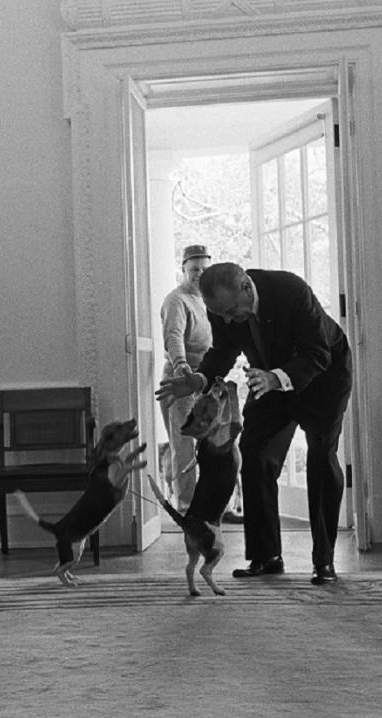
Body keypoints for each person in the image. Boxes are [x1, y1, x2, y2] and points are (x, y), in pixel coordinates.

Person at [155, 262, 352, 586]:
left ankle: (324, 562)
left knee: (320, 457)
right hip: (266, 378)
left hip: (324, 376)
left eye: (232, 311)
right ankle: (266, 556)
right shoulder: (222, 307)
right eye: (222, 315)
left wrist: (276, 378)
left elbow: (318, 353)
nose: (229, 319)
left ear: (246, 287)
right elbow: (222, 353)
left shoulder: (291, 290)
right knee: (254, 451)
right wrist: (198, 380)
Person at [158, 244, 212, 512]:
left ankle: (217, 503)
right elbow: (174, 337)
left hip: (204, 379)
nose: (199, 274)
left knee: (213, 440)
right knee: (185, 444)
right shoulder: (176, 300)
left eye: (204, 269)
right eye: (194, 269)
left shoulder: (207, 299)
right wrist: (181, 367)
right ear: (183, 270)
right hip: (181, 381)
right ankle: (186, 506)